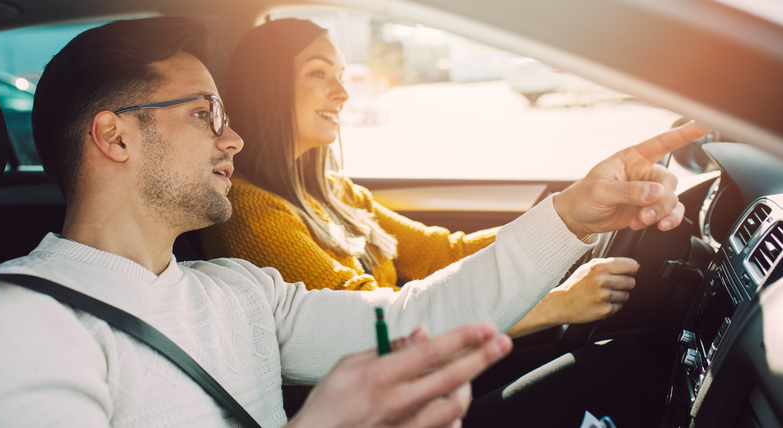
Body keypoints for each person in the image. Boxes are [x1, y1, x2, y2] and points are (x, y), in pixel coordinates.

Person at [0, 16, 706, 428]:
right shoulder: (9, 328)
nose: (232, 139)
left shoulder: (238, 291)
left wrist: (571, 215)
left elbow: (417, 315)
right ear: (114, 136)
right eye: (203, 114)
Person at [201, 18, 642, 340]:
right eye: (318, 73)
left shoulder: (335, 192)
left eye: (340, 75)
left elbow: (441, 253)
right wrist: (557, 304)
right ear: (267, 86)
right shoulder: (252, 212)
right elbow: (378, 328)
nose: (343, 92)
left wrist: (570, 221)